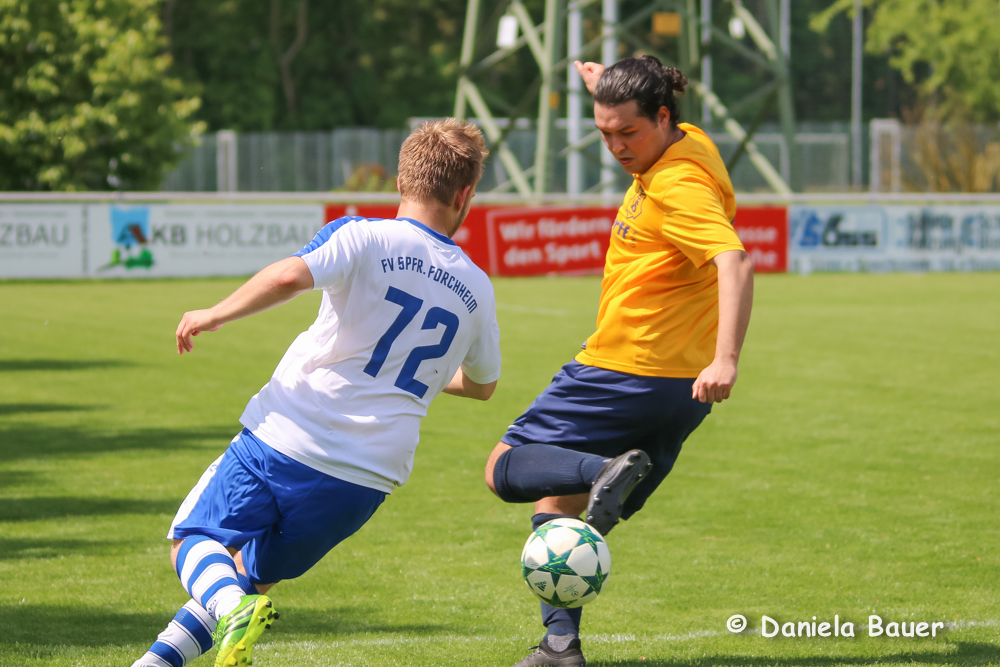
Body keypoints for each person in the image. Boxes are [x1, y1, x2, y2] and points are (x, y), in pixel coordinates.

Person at [131, 118, 501, 667]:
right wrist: (408, 377)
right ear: (464, 194)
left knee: (194, 543)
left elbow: (287, 278)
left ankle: (231, 609)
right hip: (365, 480)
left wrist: (215, 313)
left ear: (401, 182)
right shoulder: (477, 287)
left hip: (288, 437)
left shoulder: (363, 235)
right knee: (246, 577)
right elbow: (483, 385)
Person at [484, 56, 755, 667]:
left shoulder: (678, 184)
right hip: (681, 391)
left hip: (624, 368)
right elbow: (638, 102)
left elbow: (735, 262)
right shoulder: (690, 140)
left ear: (662, 117)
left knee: (505, 468)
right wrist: (605, 85)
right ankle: (560, 647)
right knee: (559, 504)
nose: (615, 147)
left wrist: (728, 358)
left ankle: (602, 470)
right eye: (604, 132)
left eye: (627, 132)